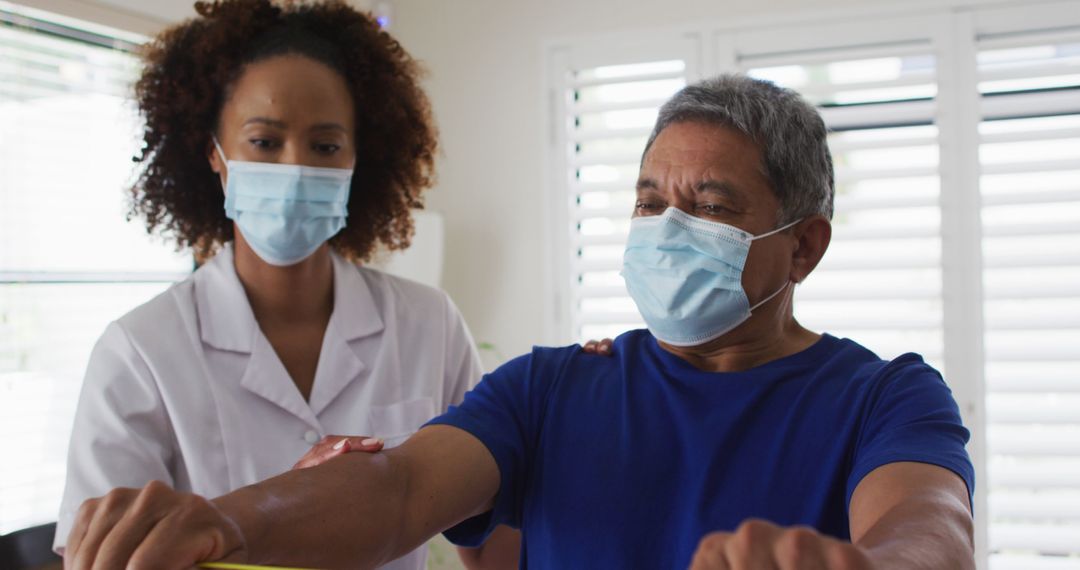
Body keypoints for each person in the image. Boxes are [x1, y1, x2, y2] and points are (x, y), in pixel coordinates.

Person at [63, 74, 976, 570]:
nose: (666, 230)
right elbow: (398, 493)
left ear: (803, 246)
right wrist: (222, 523)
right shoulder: (553, 386)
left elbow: (929, 528)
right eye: (649, 201)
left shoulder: (884, 396)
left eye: (710, 206)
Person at [53, 1, 538, 568]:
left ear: (361, 157)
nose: (294, 167)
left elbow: (489, 536)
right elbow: (103, 552)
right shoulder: (139, 351)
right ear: (215, 153)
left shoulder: (427, 321)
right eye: (264, 141)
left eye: (326, 146)